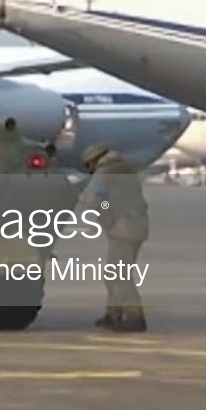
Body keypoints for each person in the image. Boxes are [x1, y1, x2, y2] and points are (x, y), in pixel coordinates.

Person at [78, 142, 150, 332]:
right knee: (114, 273)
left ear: (94, 160)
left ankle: (134, 317)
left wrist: (106, 213)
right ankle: (114, 313)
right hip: (136, 227)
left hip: (122, 228)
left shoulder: (105, 174)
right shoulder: (125, 170)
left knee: (118, 275)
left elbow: (93, 200)